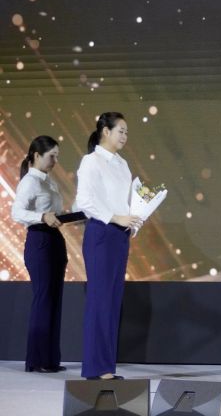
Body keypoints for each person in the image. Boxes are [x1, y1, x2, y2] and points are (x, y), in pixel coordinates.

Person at [74, 112, 142, 380]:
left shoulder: (123, 164)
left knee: (113, 302)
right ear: (105, 131)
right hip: (101, 233)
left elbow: (124, 202)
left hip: (119, 235)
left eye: (127, 132)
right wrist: (115, 217)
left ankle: (106, 366)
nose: (124, 136)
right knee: (100, 300)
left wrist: (133, 220)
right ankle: (96, 368)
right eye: (120, 131)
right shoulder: (91, 161)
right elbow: (85, 202)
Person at [11, 136, 67, 373]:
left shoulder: (49, 181)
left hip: (55, 240)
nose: (55, 161)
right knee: (43, 299)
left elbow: (56, 212)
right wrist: (42, 217)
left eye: (57, 156)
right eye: (51, 156)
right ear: (36, 155)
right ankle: (37, 360)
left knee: (55, 300)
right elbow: (16, 212)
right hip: (39, 240)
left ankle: (51, 359)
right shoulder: (30, 182)